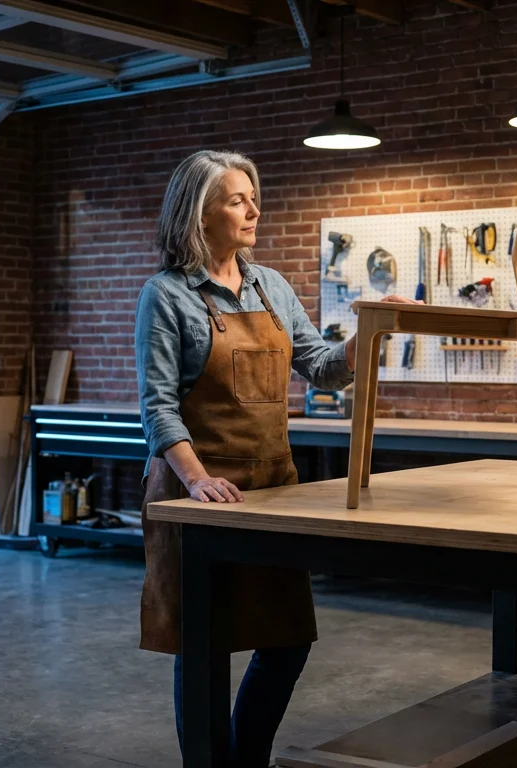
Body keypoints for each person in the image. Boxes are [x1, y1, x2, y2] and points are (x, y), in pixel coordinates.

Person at [135, 149, 417, 766]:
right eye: (237, 199)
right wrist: (198, 479)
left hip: (269, 491)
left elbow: (320, 367)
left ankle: (246, 758)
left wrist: (371, 331)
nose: (253, 210)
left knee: (287, 640)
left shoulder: (270, 286)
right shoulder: (166, 296)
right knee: (202, 645)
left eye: (252, 197)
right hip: (198, 500)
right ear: (198, 213)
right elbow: (158, 408)